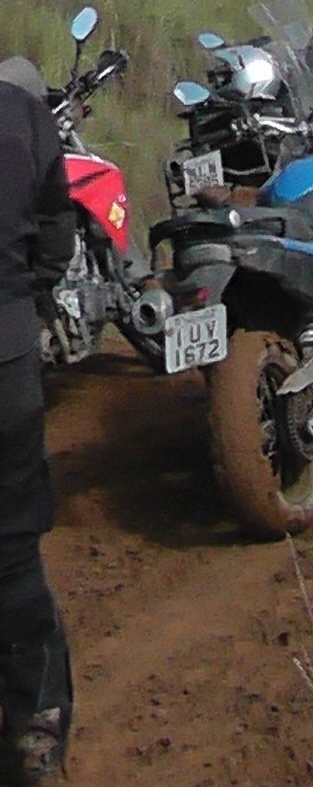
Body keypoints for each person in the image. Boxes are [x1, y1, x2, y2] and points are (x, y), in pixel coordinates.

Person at [0, 62, 71, 783]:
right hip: (6, 353)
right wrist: (26, 301)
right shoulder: (22, 113)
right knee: (14, 551)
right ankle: (36, 732)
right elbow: (56, 231)